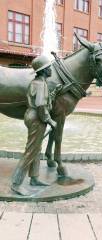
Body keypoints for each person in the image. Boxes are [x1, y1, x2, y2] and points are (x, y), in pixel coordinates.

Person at [11, 55, 57, 196]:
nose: (50, 70)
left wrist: (52, 95)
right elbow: (41, 106)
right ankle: (16, 183)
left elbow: (40, 100)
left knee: (36, 149)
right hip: (37, 118)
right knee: (31, 151)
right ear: (43, 71)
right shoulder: (41, 84)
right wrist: (50, 120)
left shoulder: (36, 82)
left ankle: (34, 178)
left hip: (32, 116)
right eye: (48, 68)